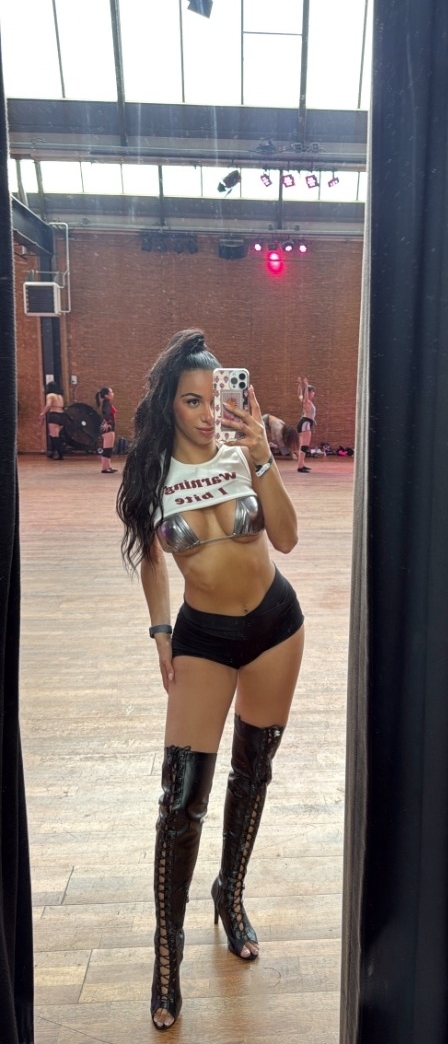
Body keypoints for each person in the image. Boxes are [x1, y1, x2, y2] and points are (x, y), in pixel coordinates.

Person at [116, 329, 304, 1032]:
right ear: (168, 403)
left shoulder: (241, 453)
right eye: (190, 400)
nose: (204, 412)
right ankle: (167, 952)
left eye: (212, 398)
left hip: (275, 627)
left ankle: (231, 892)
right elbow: (151, 558)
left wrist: (262, 459)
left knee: (254, 772)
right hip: (203, 639)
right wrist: (160, 629)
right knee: (180, 801)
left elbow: (285, 539)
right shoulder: (151, 474)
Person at [39, 380, 65, 460]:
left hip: (54, 415)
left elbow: (48, 405)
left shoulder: (50, 395)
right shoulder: (60, 396)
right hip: (61, 415)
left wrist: (43, 413)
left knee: (54, 435)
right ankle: (52, 452)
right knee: (53, 434)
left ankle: (60, 454)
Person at [296, 376, 317, 473]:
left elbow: (299, 394)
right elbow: (303, 395)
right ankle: (300, 467)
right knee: (304, 446)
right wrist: (306, 385)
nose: (313, 393)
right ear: (308, 392)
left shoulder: (307, 402)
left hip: (305, 423)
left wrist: (299, 385)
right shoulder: (306, 402)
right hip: (305, 424)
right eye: (312, 391)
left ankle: (301, 464)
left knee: (303, 445)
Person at [95, 386, 118, 473]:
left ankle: (108, 466)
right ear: (106, 395)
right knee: (107, 449)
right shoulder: (106, 403)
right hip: (108, 429)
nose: (113, 394)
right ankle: (104, 468)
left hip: (110, 427)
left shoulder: (107, 403)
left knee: (109, 449)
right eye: (111, 392)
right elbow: (106, 414)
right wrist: (107, 423)